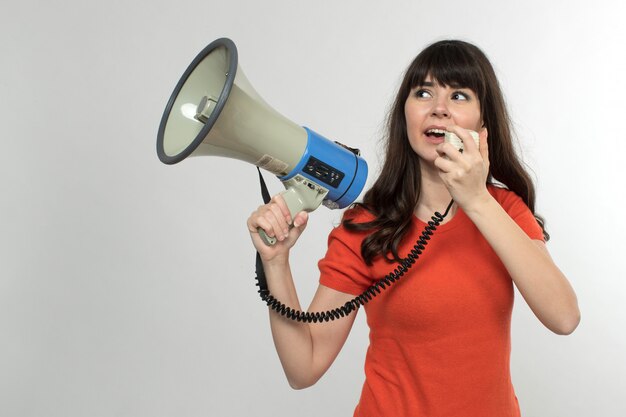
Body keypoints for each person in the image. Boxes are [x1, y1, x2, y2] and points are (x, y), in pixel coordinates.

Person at [246, 39, 580, 417]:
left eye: (459, 95)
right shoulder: (366, 226)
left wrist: (476, 199)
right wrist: (276, 263)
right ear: (404, 114)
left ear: (483, 123)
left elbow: (564, 317)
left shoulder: (503, 211)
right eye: (424, 92)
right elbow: (302, 367)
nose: (439, 108)